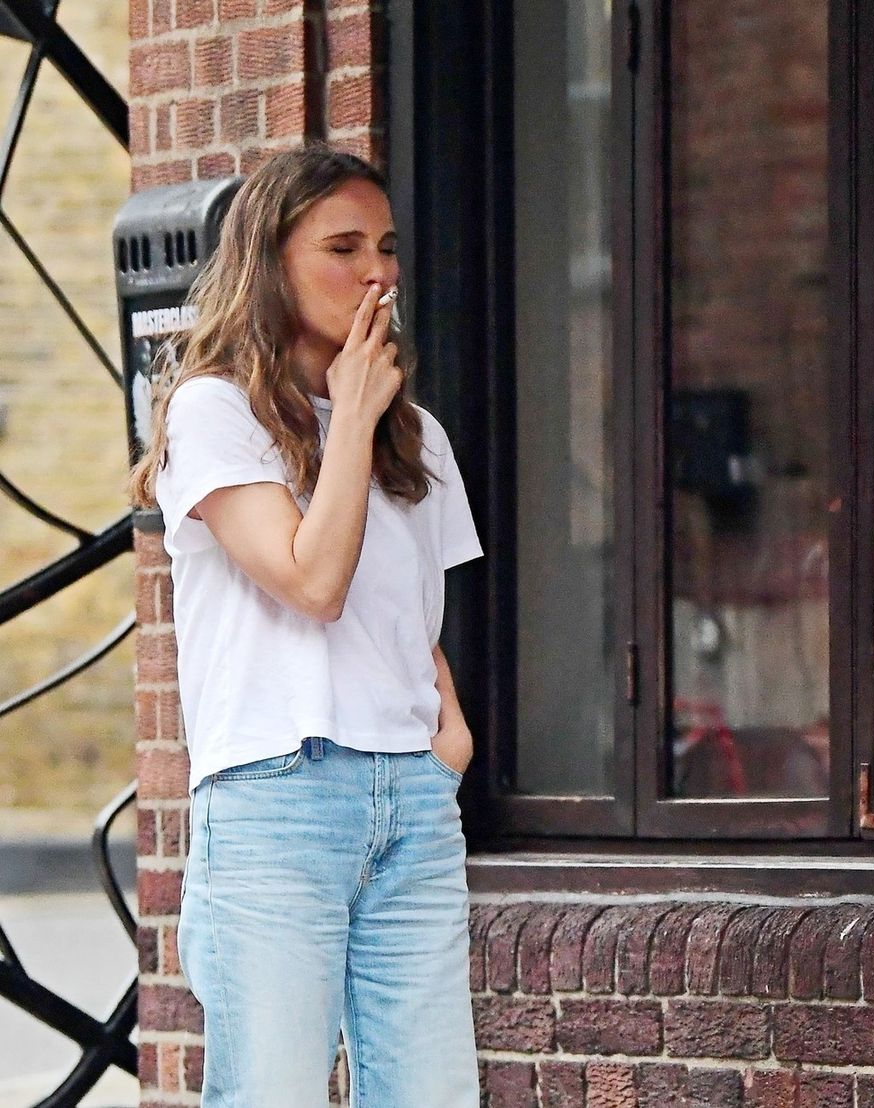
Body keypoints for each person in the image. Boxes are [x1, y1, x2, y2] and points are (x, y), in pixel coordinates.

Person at [128, 144, 481, 1107]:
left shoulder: (418, 434)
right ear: (273, 264)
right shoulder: (213, 411)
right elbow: (312, 583)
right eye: (343, 247)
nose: (377, 273)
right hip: (277, 797)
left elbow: (406, 615)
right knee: (272, 1091)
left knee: (433, 1095)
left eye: (387, 247)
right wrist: (352, 420)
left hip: (412, 800)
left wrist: (445, 741)